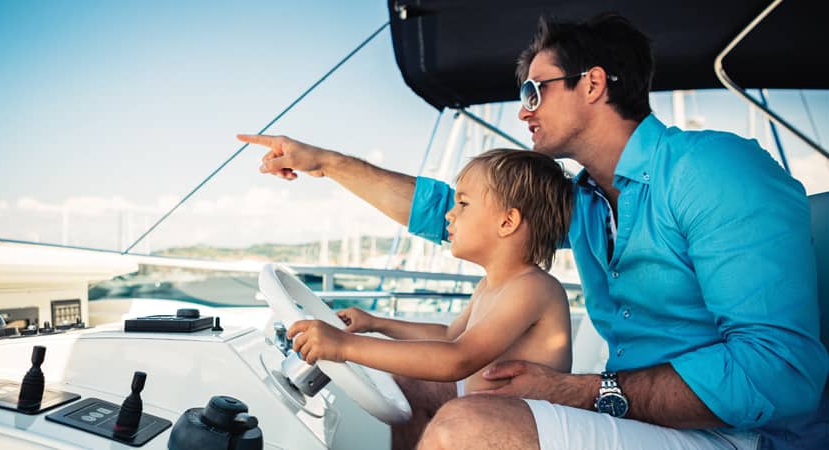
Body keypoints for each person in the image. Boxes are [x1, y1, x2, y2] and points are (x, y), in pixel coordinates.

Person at [240, 12, 827, 450]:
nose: (522, 110)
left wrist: (580, 391)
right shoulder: (591, 202)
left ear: (593, 85)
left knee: (467, 426)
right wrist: (326, 162)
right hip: (637, 417)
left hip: (735, 436)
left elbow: (780, 371)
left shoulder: (714, 172)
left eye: (534, 91)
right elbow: (450, 211)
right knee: (405, 386)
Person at [284, 149, 574, 448]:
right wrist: (376, 323)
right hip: (490, 408)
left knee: (454, 418)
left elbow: (458, 359)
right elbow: (450, 336)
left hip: (527, 428)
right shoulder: (491, 284)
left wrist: (343, 346)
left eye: (463, 203)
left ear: (507, 222)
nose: (450, 213)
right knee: (408, 385)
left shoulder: (531, 288)